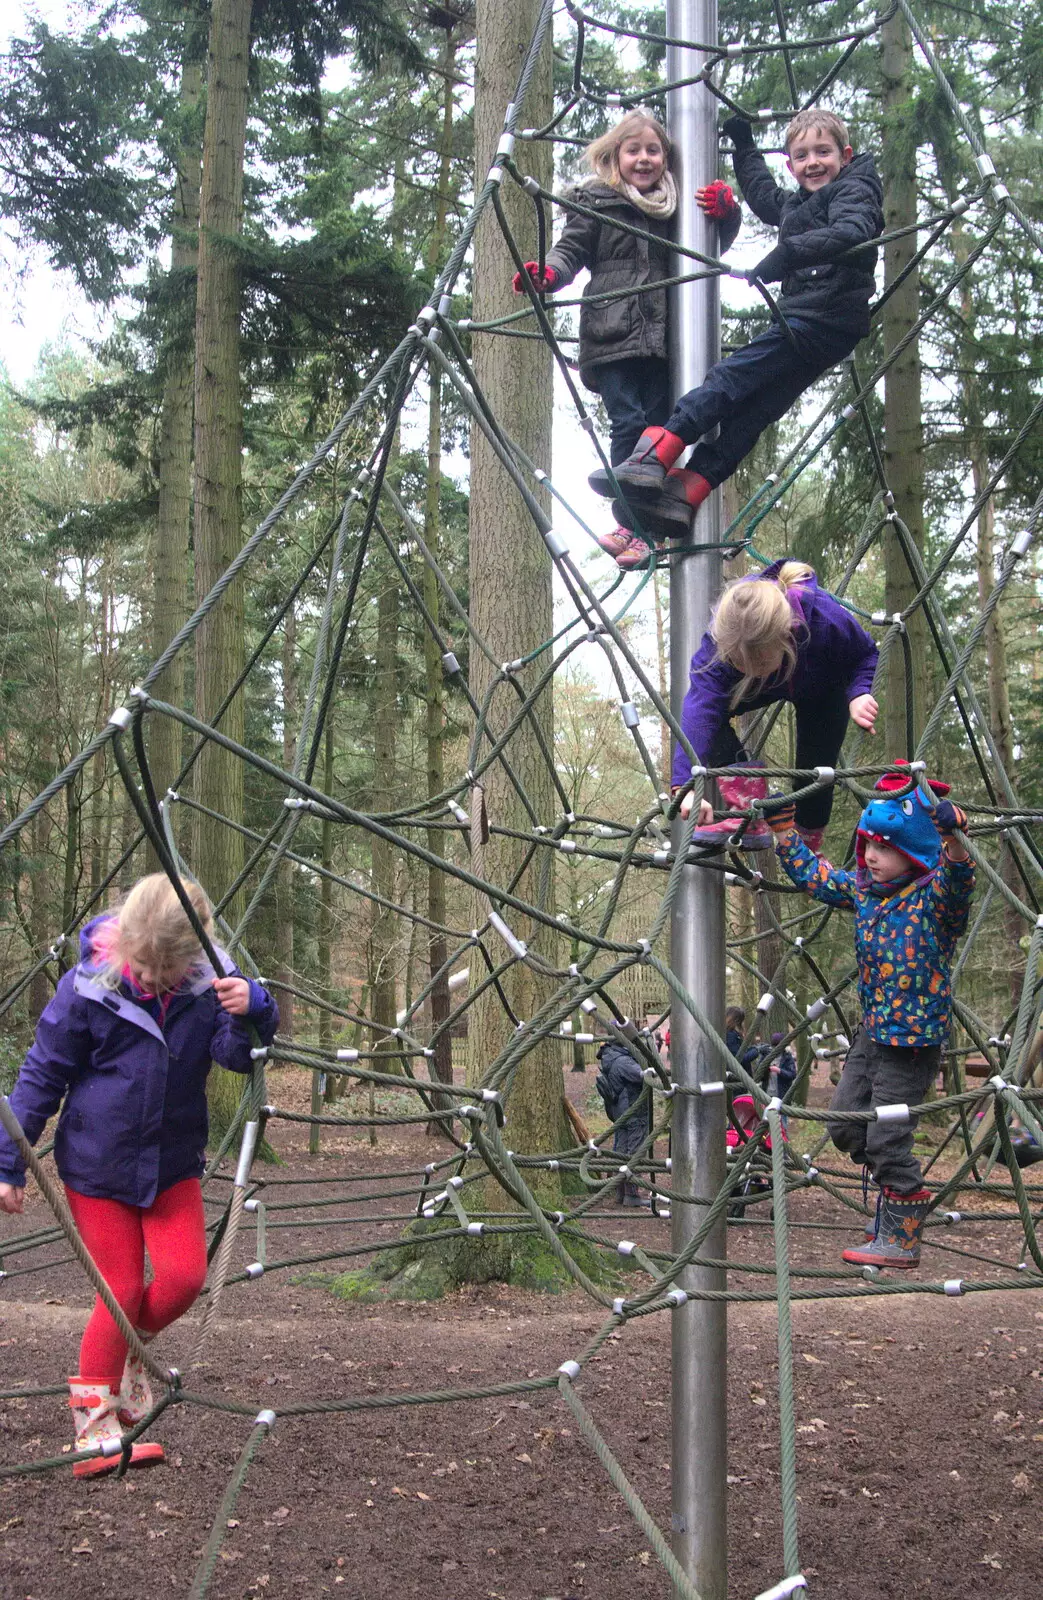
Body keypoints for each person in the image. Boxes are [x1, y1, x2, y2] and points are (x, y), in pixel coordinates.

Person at [0, 874, 278, 1476]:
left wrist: (254, 1008)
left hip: (172, 1163)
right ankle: (94, 1428)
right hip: (97, 1167)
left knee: (183, 1278)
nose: (150, 979)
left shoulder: (209, 986)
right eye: (141, 965)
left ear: (193, 954)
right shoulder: (88, 988)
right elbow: (42, 1073)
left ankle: (122, 1362)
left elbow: (236, 1055)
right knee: (120, 1290)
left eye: (163, 968)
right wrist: (9, 1161)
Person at [590, 107, 883, 537]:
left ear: (846, 154)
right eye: (801, 157)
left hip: (820, 316)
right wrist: (744, 144)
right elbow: (766, 198)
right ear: (791, 164)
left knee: (731, 377)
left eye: (823, 152)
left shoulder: (855, 187)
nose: (813, 163)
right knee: (754, 410)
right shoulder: (801, 202)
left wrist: (788, 255)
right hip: (822, 324)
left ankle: (656, 454)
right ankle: (685, 492)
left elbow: (853, 230)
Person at [766, 766, 975, 1268]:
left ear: (915, 851)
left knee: (887, 1138)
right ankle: (891, 1201)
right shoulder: (865, 893)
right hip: (872, 1034)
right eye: (868, 845)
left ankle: (901, 1235)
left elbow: (958, 878)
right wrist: (784, 834)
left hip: (913, 1044)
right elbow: (817, 877)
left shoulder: (933, 901)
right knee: (845, 1125)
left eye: (884, 847)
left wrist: (953, 838)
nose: (871, 857)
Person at [513, 109, 740, 569]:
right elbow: (570, 250)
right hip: (612, 333)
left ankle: (644, 529)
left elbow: (708, 247)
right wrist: (550, 275)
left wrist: (726, 214)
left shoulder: (675, 205)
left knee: (658, 428)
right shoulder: (597, 201)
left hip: (664, 340)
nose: (643, 159)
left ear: (666, 158)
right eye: (633, 150)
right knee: (629, 425)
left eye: (653, 150)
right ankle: (631, 526)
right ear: (615, 155)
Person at [673, 559, 878, 851]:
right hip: (764, 682)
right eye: (736, 662)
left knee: (817, 768)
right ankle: (749, 807)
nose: (745, 667)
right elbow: (699, 710)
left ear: (787, 636)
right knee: (704, 713)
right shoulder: (723, 641)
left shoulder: (823, 618)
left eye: (753, 662)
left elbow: (865, 654)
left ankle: (806, 848)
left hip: (822, 683)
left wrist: (859, 693)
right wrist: (685, 786)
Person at [595, 1038, 652, 1207]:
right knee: (634, 1152)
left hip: (621, 1112)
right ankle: (631, 1193)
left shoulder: (610, 1057)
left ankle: (620, 1192)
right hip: (633, 1112)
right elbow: (643, 1075)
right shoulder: (623, 1061)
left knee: (621, 1150)